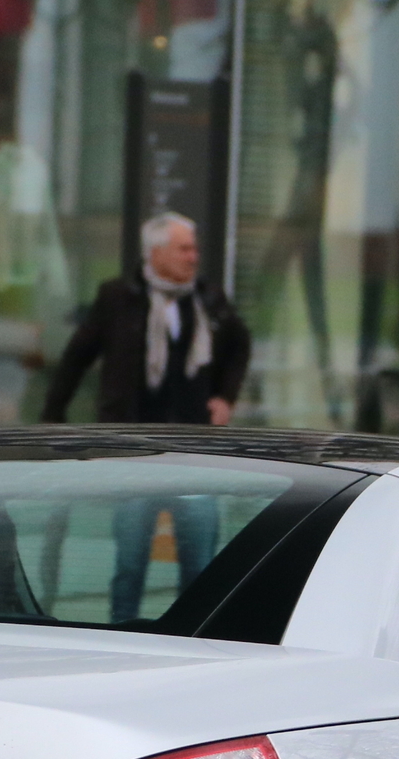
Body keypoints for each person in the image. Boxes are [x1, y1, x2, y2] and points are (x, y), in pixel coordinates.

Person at [42, 212, 253, 618]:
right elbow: (76, 358)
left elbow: (239, 345)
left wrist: (225, 396)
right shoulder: (118, 297)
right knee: (130, 561)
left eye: (194, 248)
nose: (193, 257)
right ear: (155, 253)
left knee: (199, 564)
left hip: (195, 454)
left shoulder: (208, 298)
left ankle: (195, 635)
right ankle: (124, 635)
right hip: (133, 454)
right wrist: (53, 417)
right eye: (184, 248)